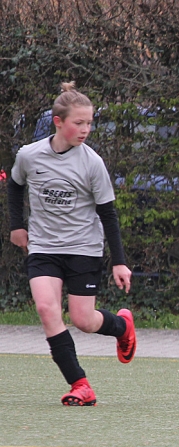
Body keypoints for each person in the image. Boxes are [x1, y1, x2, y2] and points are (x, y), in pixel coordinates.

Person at [6, 82, 137, 406]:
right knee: (46, 309)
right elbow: (15, 185)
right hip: (44, 248)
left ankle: (122, 327)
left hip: (83, 249)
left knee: (83, 320)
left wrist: (119, 261)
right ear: (58, 121)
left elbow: (108, 214)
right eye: (79, 123)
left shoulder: (92, 163)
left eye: (89, 123)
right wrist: (17, 226)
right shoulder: (29, 155)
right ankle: (80, 385)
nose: (85, 129)